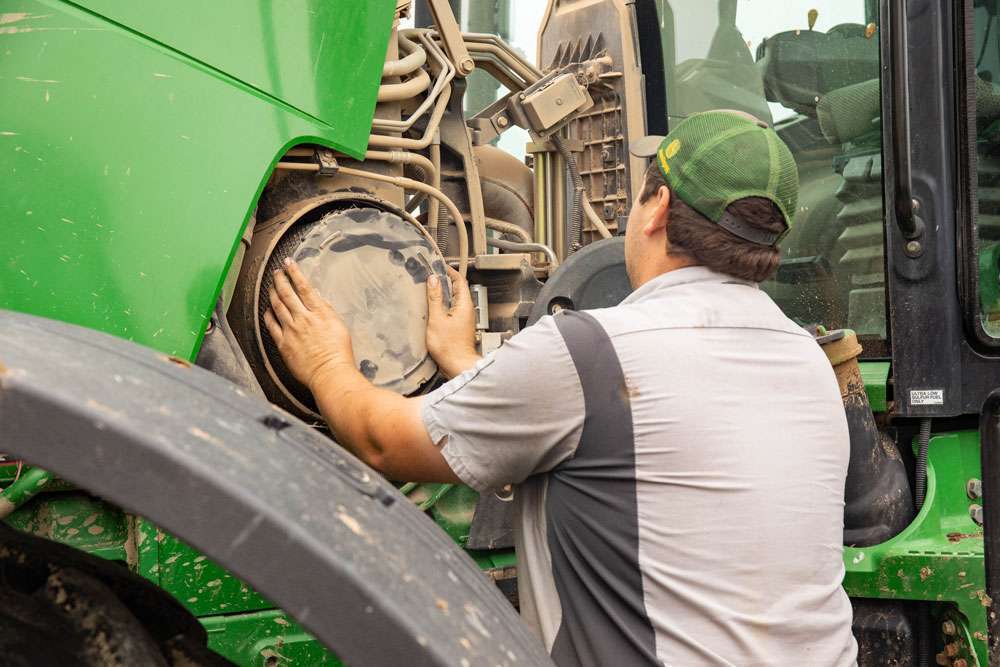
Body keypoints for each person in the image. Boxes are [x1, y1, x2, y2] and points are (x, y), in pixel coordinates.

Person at [264, 110, 858, 666]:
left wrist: (325, 364)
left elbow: (379, 440)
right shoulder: (809, 361)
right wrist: (465, 364)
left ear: (656, 208)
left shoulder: (590, 352)